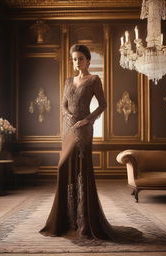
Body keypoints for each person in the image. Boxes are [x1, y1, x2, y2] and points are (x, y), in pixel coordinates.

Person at [40, 44, 142, 243]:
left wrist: (88, 120)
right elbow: (63, 105)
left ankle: (85, 220)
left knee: (81, 171)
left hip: (84, 130)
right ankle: (67, 219)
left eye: (80, 58)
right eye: (74, 59)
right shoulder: (69, 81)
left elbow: (103, 104)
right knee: (64, 168)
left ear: (88, 60)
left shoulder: (94, 79)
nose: (77, 62)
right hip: (68, 129)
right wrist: (69, 116)